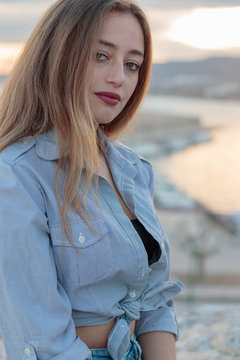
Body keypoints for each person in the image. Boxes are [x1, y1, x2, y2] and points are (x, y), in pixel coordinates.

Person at [0, 0, 183, 359]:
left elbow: (154, 300)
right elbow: (42, 340)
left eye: (132, 65)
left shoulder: (135, 170)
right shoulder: (17, 175)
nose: (120, 77)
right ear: (58, 55)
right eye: (101, 56)